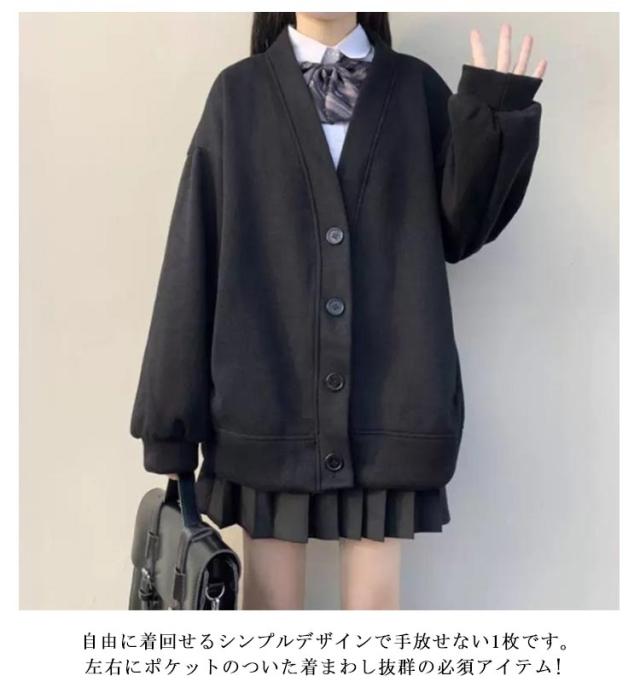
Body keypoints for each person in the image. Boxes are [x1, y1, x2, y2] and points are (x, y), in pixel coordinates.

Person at [130, 12, 547, 610]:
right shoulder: (238, 94)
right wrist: (171, 430)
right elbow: (193, 256)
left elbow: (462, 227)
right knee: (270, 616)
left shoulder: (415, 90)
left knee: (374, 618)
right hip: (266, 411)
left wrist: (495, 116)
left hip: (388, 408)